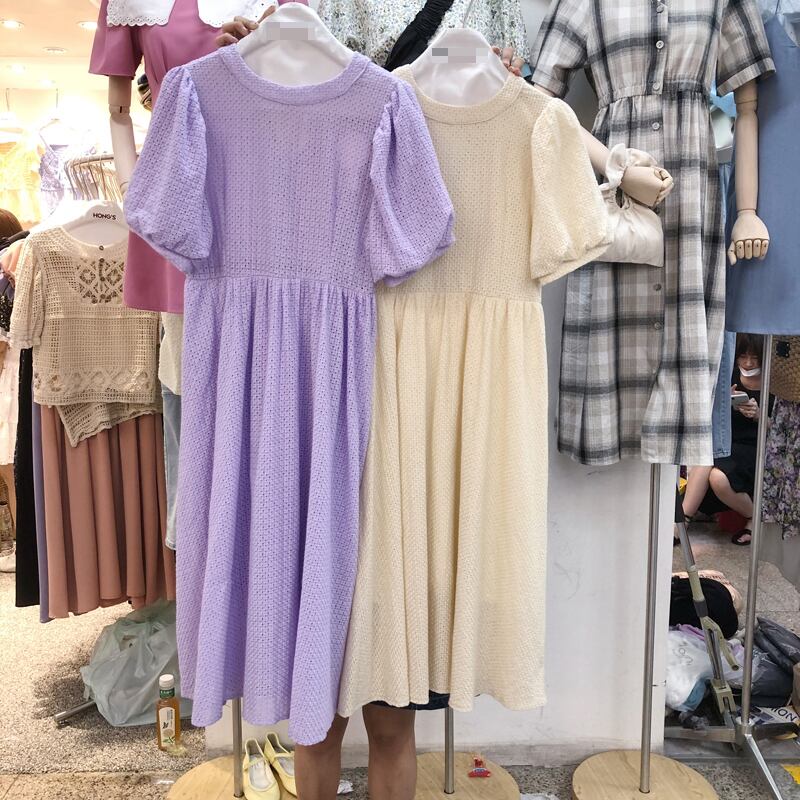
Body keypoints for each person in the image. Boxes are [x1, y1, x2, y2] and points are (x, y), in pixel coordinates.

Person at [682, 334, 772, 546]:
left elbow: (781, 429)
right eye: (743, 357)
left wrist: (759, 415)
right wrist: (723, 401)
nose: (748, 363)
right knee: (707, 457)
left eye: (754, 358)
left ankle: (755, 518)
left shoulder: (774, 383)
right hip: (728, 444)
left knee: (717, 476)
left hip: (757, 448)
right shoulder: (728, 376)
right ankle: (682, 522)